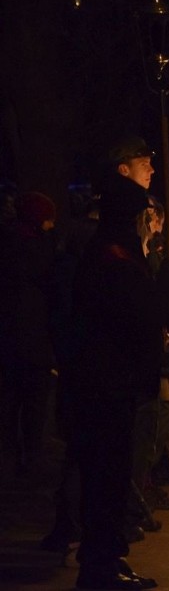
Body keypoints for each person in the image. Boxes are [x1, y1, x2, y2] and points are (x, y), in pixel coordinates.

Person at [64, 170, 169, 590]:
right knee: (106, 481)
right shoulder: (113, 258)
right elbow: (145, 314)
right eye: (142, 214)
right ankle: (99, 569)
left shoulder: (115, 252)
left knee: (112, 480)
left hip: (110, 385)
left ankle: (105, 560)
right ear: (131, 217)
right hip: (105, 388)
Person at [0, 191, 58, 476]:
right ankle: (30, 456)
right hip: (32, 335)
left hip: (11, 336)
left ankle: (11, 455)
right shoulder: (40, 250)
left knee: (11, 400)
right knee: (33, 401)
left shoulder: (9, 243)